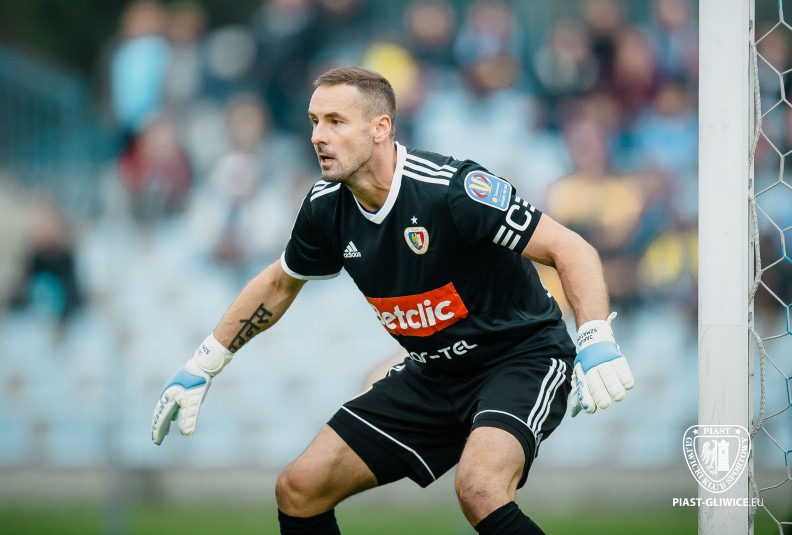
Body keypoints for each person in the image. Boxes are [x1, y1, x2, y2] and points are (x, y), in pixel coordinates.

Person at [151, 66, 635, 535]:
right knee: (298, 489)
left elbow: (570, 248)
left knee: (480, 490)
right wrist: (204, 363)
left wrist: (594, 337)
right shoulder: (324, 207)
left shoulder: (451, 189)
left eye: (335, 121)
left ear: (380, 128)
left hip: (520, 360)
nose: (318, 136)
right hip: (433, 374)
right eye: (314, 121)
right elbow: (280, 283)